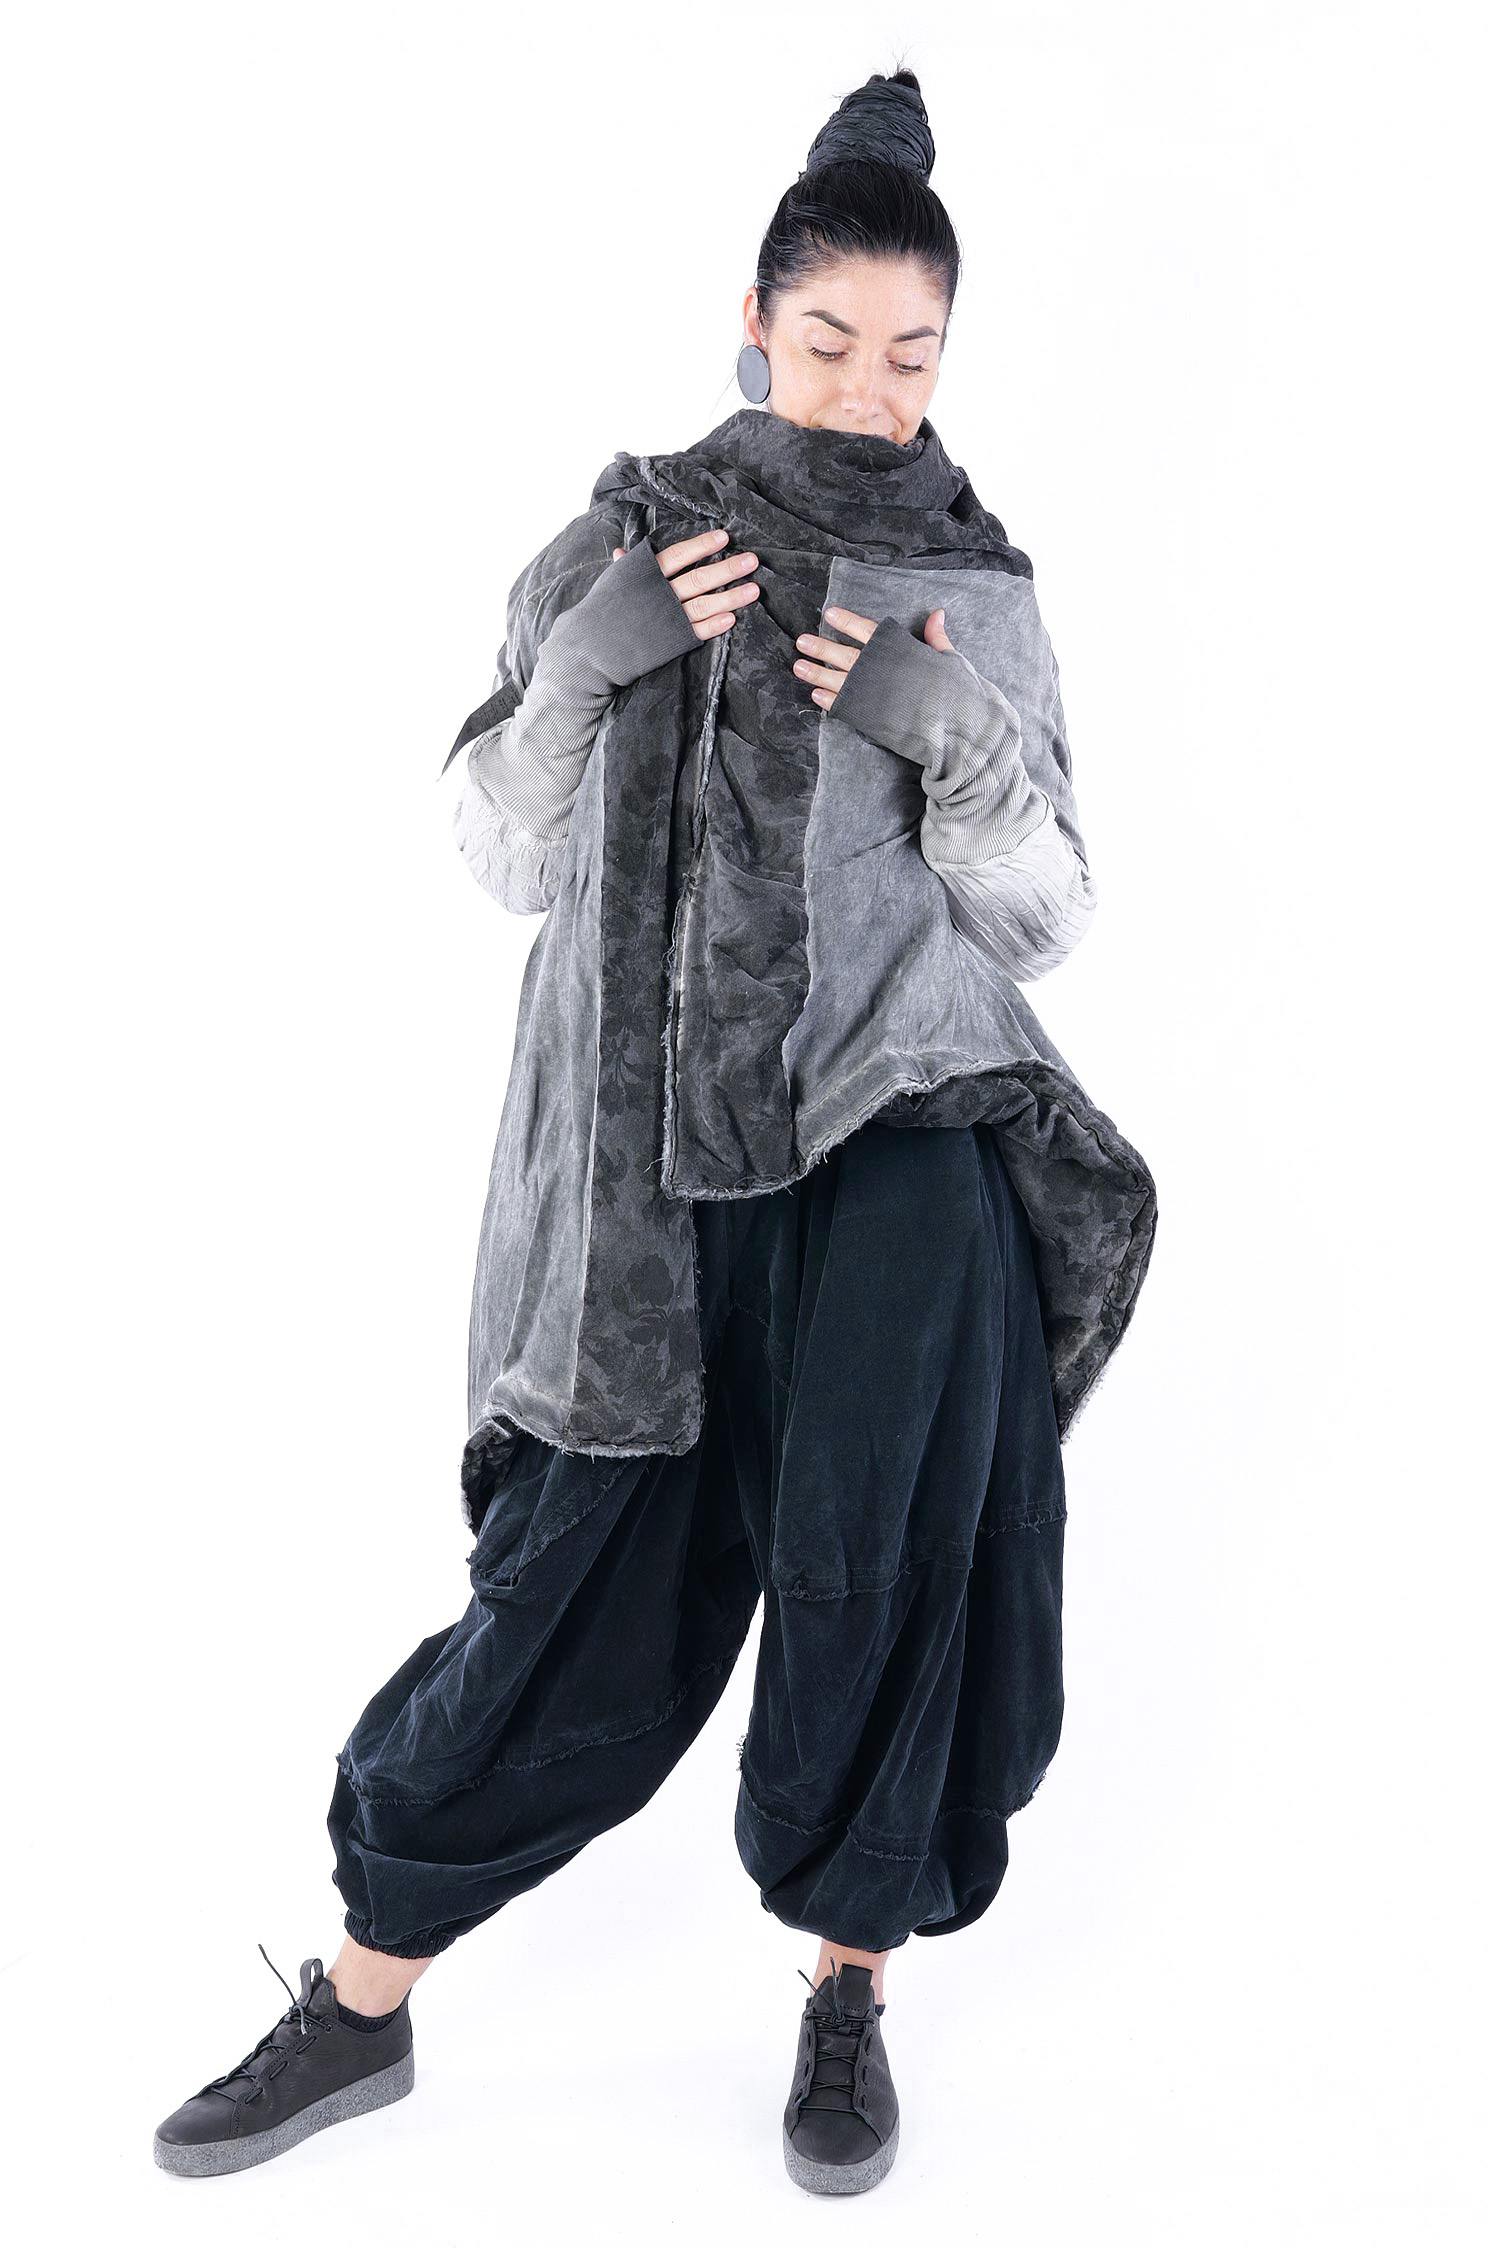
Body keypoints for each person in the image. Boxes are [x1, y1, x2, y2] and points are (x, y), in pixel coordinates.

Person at [153, 65, 1156, 2199]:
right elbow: (501, 859)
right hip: (650, 1178)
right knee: (571, 1598)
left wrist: (949, 728)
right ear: (753, 319)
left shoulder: (980, 587)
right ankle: (359, 2004)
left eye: (914, 355)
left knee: (887, 1570)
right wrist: (582, 679)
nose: (870, 390)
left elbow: (1047, 920)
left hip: (899, 1138)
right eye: (831, 341)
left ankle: (846, 1997)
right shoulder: (624, 541)